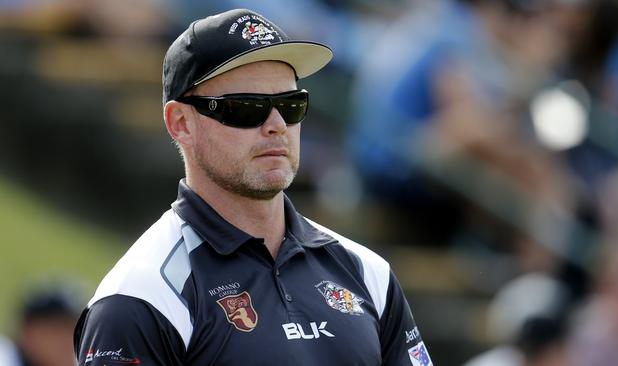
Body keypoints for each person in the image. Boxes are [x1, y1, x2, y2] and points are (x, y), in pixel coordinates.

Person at [73, 8, 431, 366]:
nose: (276, 124)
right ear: (180, 122)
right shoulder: (140, 297)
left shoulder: (369, 273)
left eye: (291, 105)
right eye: (246, 107)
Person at [0, 287, 80, 366]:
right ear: (27, 332)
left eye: (74, 329)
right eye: (57, 330)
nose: (68, 339)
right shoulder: (5, 357)